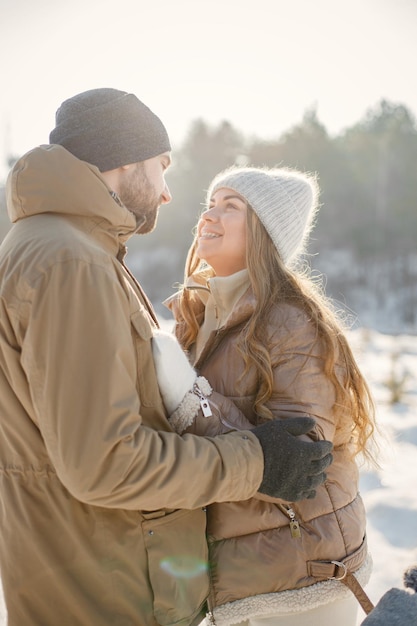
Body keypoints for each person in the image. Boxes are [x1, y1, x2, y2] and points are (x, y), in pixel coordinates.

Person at [0, 90, 333, 626]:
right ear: (124, 159)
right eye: (162, 166)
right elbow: (106, 462)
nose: (168, 192)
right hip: (101, 591)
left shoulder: (65, 248)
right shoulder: (72, 262)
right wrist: (256, 463)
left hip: (91, 572)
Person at [162, 166, 378, 626]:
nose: (208, 215)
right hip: (240, 577)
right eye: (210, 202)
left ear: (263, 230)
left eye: (230, 206)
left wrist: (186, 394)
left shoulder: (289, 322)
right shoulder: (198, 321)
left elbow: (303, 459)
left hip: (304, 579)